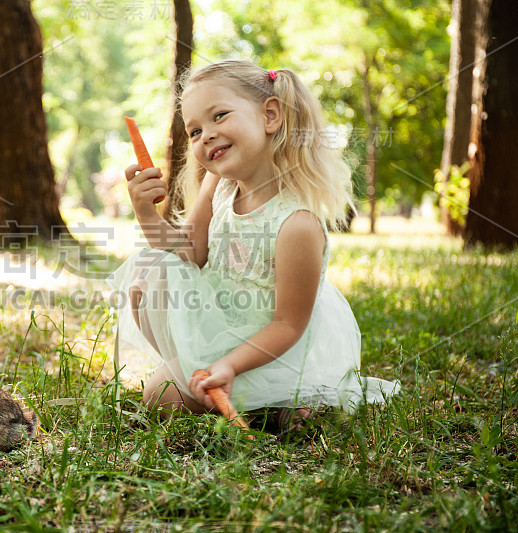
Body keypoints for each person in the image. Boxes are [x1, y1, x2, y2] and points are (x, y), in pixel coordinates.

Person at [108, 60, 399, 428]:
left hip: (271, 350)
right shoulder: (219, 187)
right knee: (145, 279)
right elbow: (189, 253)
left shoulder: (296, 223)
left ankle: (275, 400)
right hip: (219, 323)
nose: (206, 135)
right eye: (195, 130)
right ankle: (214, 379)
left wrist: (230, 363)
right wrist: (147, 214)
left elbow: (287, 325)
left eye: (220, 116)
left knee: (159, 394)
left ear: (270, 115)